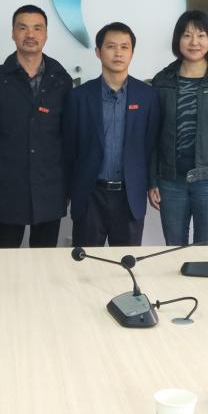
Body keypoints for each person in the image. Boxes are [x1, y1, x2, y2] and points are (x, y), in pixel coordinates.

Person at [0, 4, 72, 248]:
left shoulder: (61, 80)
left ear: (46, 34)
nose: (30, 34)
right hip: (7, 188)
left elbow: (68, 139)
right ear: (13, 33)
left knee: (44, 260)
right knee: (5, 260)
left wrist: (67, 189)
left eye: (37, 28)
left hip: (50, 187)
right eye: (23, 28)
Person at [149, 10, 208, 246]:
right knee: (173, 248)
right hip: (170, 181)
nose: (194, 42)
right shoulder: (162, 80)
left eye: (201, 35)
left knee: (206, 250)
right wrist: (152, 181)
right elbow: (152, 137)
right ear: (177, 40)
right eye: (187, 35)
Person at [63, 22, 159, 247]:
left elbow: (151, 145)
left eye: (125, 47)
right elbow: (69, 148)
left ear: (132, 52)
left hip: (129, 196)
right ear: (98, 52)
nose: (118, 53)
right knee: (86, 262)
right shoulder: (79, 96)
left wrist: (152, 183)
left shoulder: (147, 96)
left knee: (127, 264)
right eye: (111, 46)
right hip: (90, 195)